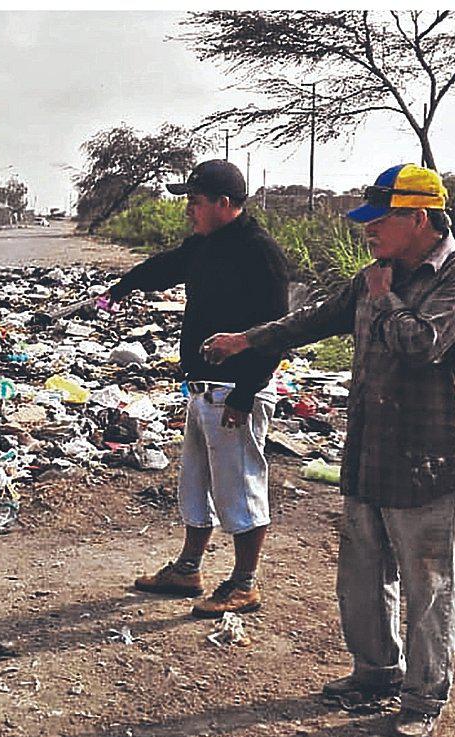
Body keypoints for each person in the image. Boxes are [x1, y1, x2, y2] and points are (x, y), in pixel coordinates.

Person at [202, 163, 455, 737]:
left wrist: (385, 301)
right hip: (370, 450)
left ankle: (423, 696)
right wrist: (247, 340)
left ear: (418, 218)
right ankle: (375, 672)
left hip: (432, 460)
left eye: (378, 220)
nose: (368, 231)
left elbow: (421, 344)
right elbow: (316, 318)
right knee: (362, 576)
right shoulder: (376, 275)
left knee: (429, 586)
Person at [103, 159, 290, 617]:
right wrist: (123, 286)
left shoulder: (259, 252)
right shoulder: (208, 243)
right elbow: (168, 266)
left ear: (224, 204)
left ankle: (244, 583)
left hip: (235, 392)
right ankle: (188, 568)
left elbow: (275, 332)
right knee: (197, 484)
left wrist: (246, 396)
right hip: (205, 388)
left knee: (241, 487)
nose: (189, 209)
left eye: (196, 201)